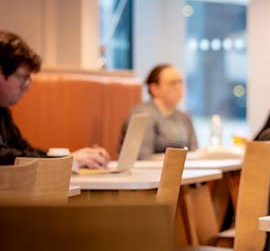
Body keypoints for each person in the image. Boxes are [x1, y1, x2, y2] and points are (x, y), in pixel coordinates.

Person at [0, 31, 110, 168]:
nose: (27, 87)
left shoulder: (3, 110)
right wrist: (68, 161)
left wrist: (67, 158)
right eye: (23, 77)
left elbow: (24, 150)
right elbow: (4, 156)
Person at [118, 64, 198, 159]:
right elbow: (142, 157)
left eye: (180, 82)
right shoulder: (143, 114)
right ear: (154, 88)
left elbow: (194, 152)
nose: (178, 87)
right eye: (172, 83)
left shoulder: (184, 117)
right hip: (152, 172)